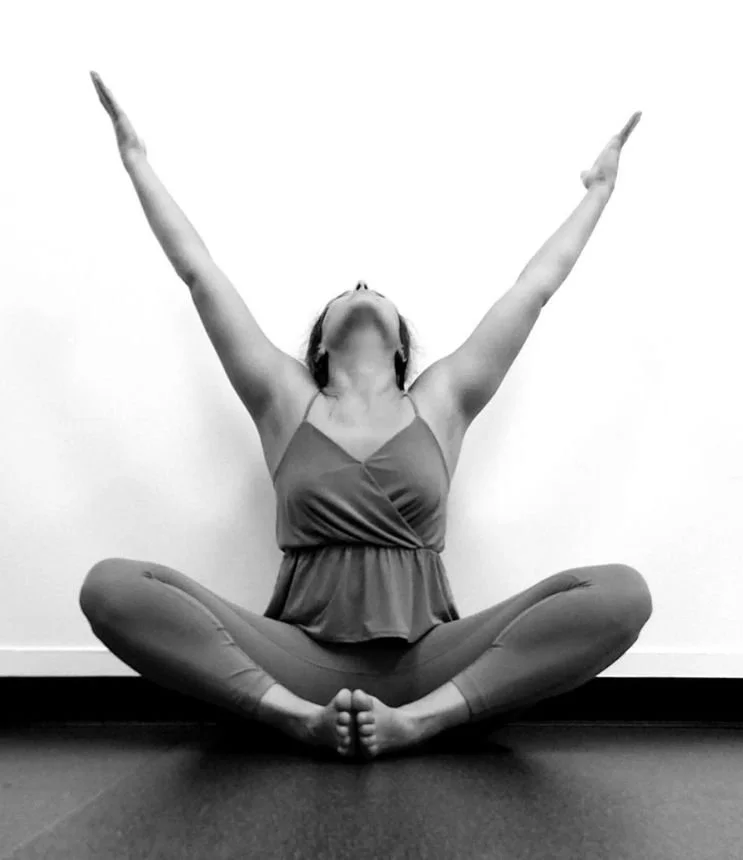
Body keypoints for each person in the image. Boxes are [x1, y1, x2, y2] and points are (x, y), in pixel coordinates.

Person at [79, 71, 652, 761]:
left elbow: (532, 290)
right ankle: (292, 718)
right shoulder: (284, 401)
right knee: (109, 587)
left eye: (373, 290)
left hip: (427, 663)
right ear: (319, 344)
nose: (360, 286)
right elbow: (200, 273)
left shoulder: (441, 402)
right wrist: (137, 161)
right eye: (347, 292)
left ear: (403, 348)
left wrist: (598, 191)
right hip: (298, 660)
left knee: (622, 595)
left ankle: (425, 721)